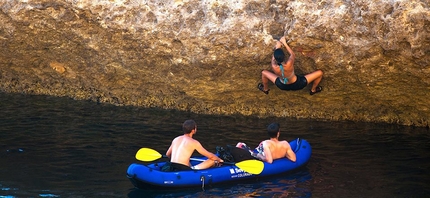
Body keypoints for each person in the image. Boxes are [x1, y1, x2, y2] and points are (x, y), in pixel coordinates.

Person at [258, 35, 323, 95]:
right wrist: (285, 43)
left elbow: (273, 58)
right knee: (320, 73)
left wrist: (277, 47)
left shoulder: (274, 66)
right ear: (284, 57)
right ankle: (313, 90)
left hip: (282, 85)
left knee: (264, 73)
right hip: (298, 84)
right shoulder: (289, 64)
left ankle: (265, 89)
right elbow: (292, 54)